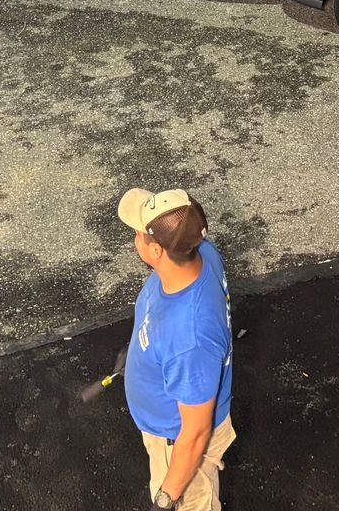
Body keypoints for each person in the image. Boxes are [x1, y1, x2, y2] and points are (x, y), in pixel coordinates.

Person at [116, 187, 236, 511]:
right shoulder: (201, 254)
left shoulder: (190, 339)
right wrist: (141, 353)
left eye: (139, 234)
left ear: (156, 250)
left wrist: (166, 499)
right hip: (171, 423)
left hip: (177, 444)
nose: (135, 238)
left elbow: (196, 434)